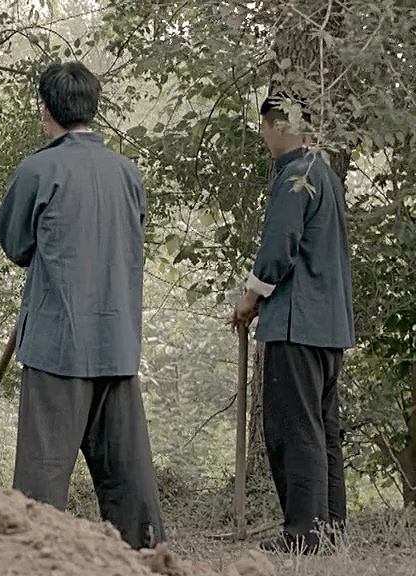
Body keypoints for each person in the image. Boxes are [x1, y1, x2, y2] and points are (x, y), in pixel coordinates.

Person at [0, 61, 165, 549]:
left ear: (45, 110)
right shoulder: (127, 172)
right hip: (117, 340)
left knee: (43, 475)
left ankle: (35, 556)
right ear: (93, 106)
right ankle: (147, 557)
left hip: (58, 342)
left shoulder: (38, 169)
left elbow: (15, 244)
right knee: (127, 473)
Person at [230, 93, 355, 554]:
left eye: (265, 128)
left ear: (280, 126)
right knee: (322, 430)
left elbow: (280, 246)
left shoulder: (296, 176)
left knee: (293, 430)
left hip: (297, 323)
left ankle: (304, 535)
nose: (264, 138)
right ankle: (329, 530)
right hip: (328, 325)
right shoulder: (326, 175)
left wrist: (250, 297)